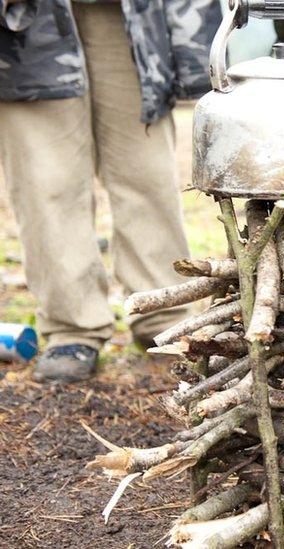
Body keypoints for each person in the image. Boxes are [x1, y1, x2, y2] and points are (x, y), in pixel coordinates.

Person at [0, 0, 219, 381]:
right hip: (24, 24)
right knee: (45, 178)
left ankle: (166, 317)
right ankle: (71, 327)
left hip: (130, 15)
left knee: (145, 171)